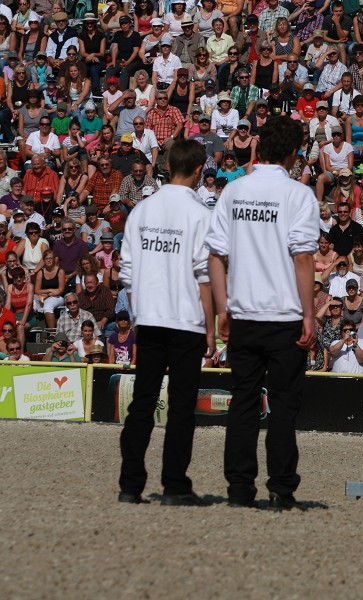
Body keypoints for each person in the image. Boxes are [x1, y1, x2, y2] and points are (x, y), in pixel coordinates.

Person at [207, 116, 319, 511]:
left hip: (242, 312)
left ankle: (239, 487)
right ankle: (281, 488)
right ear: (293, 152)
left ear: (260, 148)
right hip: (285, 314)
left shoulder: (234, 191)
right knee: (284, 406)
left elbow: (216, 256)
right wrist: (310, 314)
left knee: (243, 403)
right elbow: (302, 256)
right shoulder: (299, 195)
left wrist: (222, 307)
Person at [118, 139, 215, 507]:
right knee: (180, 406)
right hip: (186, 320)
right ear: (197, 170)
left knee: (142, 402)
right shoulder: (200, 214)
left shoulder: (143, 210)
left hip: (151, 318)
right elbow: (204, 275)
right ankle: (174, 484)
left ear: (169, 165)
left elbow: (125, 269)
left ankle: (130, 484)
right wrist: (211, 326)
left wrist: (145, 297)